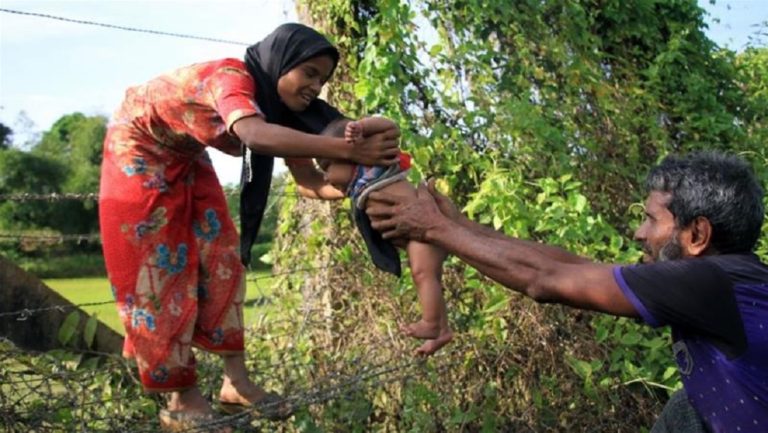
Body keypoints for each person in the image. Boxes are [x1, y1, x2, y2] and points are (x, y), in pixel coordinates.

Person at [98, 23, 400, 431]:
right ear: (281, 61)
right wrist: (346, 149)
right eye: (308, 72)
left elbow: (310, 183)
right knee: (159, 267)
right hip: (137, 146)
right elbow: (254, 136)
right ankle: (181, 399)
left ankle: (235, 383)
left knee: (222, 254)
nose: (316, 86)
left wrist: (361, 185)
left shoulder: (282, 114)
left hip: (186, 153)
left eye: (322, 80)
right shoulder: (231, 77)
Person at [365, 151, 768, 433]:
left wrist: (432, 228)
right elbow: (574, 267)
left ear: (697, 234)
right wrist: (461, 227)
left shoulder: (706, 283)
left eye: (650, 220)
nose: (639, 233)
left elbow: (545, 279)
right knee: (688, 406)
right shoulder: (726, 279)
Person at [313, 117, 453, 356]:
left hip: (424, 227)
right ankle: (442, 331)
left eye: (327, 169)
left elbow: (391, 127)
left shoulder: (374, 165)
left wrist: (362, 128)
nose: (326, 178)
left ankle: (431, 323)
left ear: (348, 156)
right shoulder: (356, 184)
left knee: (423, 274)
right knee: (429, 279)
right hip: (416, 235)